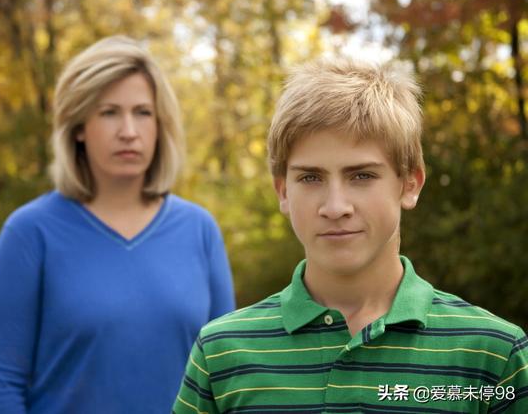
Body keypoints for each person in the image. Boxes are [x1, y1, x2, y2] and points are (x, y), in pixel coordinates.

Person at [173, 58, 528, 413]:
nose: (335, 207)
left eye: (362, 176)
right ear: (283, 191)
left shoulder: (493, 355)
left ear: (410, 184)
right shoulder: (221, 353)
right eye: (310, 178)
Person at [0, 35, 235, 414]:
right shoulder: (29, 234)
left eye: (143, 112)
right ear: (78, 126)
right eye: (109, 112)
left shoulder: (200, 230)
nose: (128, 130)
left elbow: (226, 375)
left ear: (160, 125)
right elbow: (1, 385)